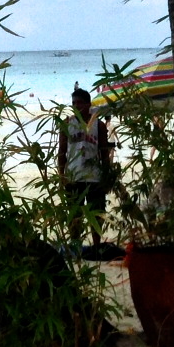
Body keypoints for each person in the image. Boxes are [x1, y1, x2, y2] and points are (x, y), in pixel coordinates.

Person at [58, 86, 110, 249]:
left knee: (97, 213)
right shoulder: (67, 124)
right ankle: (75, 246)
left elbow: (104, 153)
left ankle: (96, 246)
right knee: (75, 214)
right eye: (73, 103)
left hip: (94, 176)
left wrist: (107, 176)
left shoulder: (99, 125)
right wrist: (62, 176)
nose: (76, 106)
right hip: (74, 176)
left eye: (80, 103)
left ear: (88, 104)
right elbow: (62, 152)